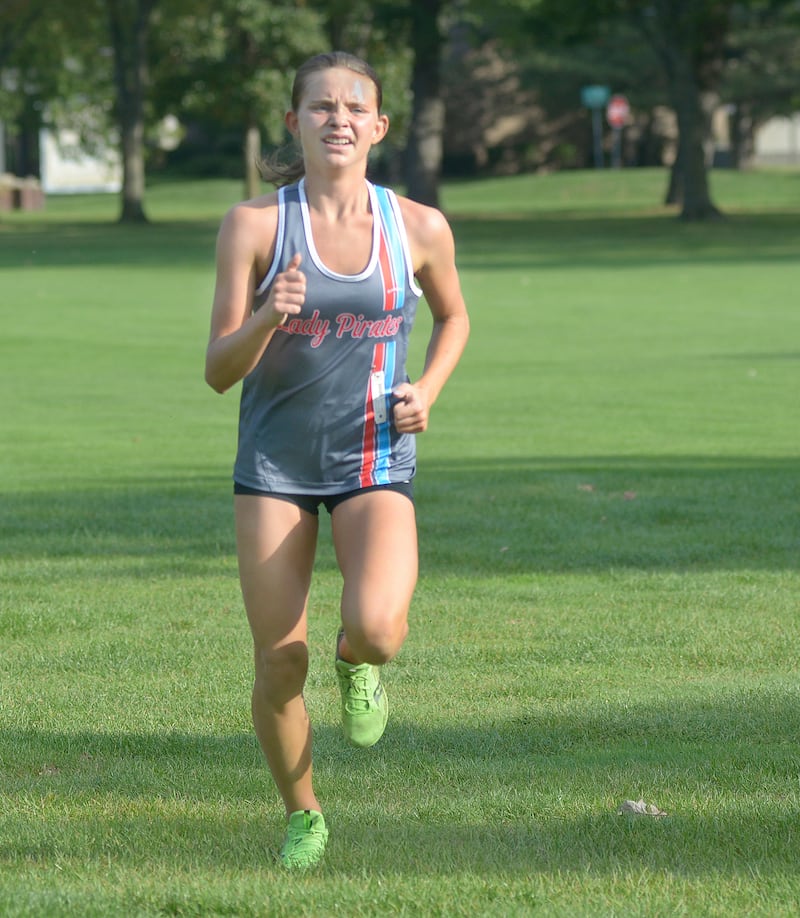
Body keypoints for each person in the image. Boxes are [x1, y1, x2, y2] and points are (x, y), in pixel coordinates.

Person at [205, 51, 469, 870]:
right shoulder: (254, 226)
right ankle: (304, 813)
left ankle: (359, 666)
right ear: (296, 124)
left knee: (378, 626)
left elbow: (456, 319)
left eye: (356, 108)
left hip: (374, 455)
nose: (339, 119)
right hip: (276, 466)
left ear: (380, 126)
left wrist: (428, 386)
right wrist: (263, 318)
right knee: (281, 658)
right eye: (321, 107)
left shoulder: (418, 225)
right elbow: (218, 369)